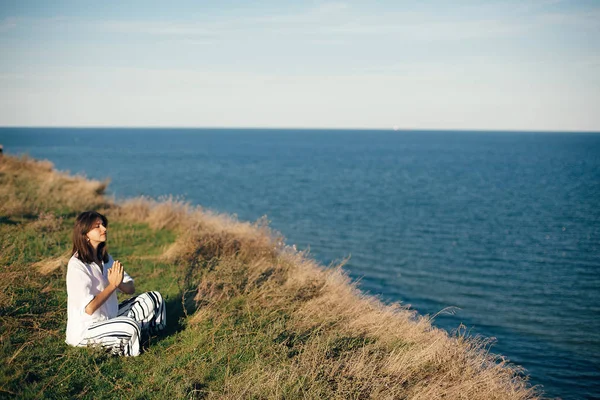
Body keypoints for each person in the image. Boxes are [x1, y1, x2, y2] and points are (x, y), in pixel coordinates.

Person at [65, 211, 166, 356]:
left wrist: (119, 284)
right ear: (85, 234)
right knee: (130, 326)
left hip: (111, 317)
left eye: (103, 225)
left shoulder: (105, 259)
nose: (104, 229)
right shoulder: (77, 266)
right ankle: (133, 344)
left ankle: (154, 335)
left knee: (154, 298)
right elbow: (89, 308)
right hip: (86, 330)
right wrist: (112, 286)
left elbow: (130, 288)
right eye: (97, 227)